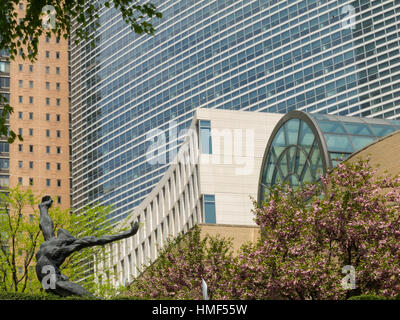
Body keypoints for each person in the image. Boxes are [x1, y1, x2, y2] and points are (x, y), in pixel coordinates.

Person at [35, 195, 139, 297]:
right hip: (46, 270)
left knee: (54, 290)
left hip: (42, 270)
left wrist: (43, 207)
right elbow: (98, 240)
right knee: (57, 286)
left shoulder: (50, 240)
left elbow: (45, 223)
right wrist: (126, 234)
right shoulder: (62, 245)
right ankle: (92, 298)